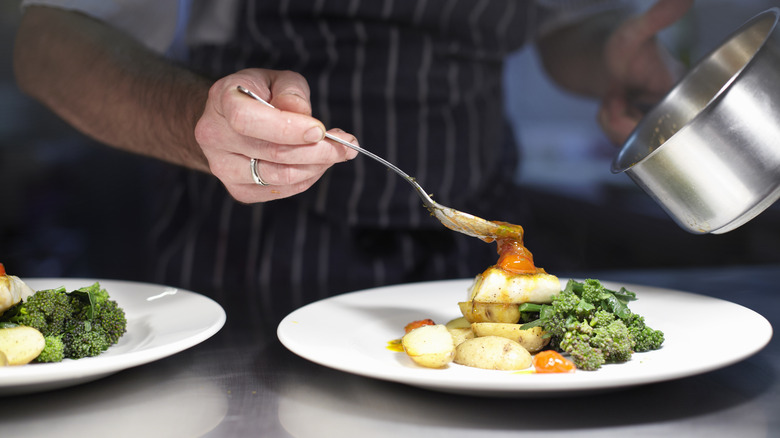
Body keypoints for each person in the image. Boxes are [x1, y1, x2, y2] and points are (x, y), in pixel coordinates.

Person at [13, 0, 693, 326]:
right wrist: (199, 122)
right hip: (252, 249)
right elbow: (46, 39)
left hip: (475, 241)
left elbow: (561, 27)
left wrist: (606, 53)